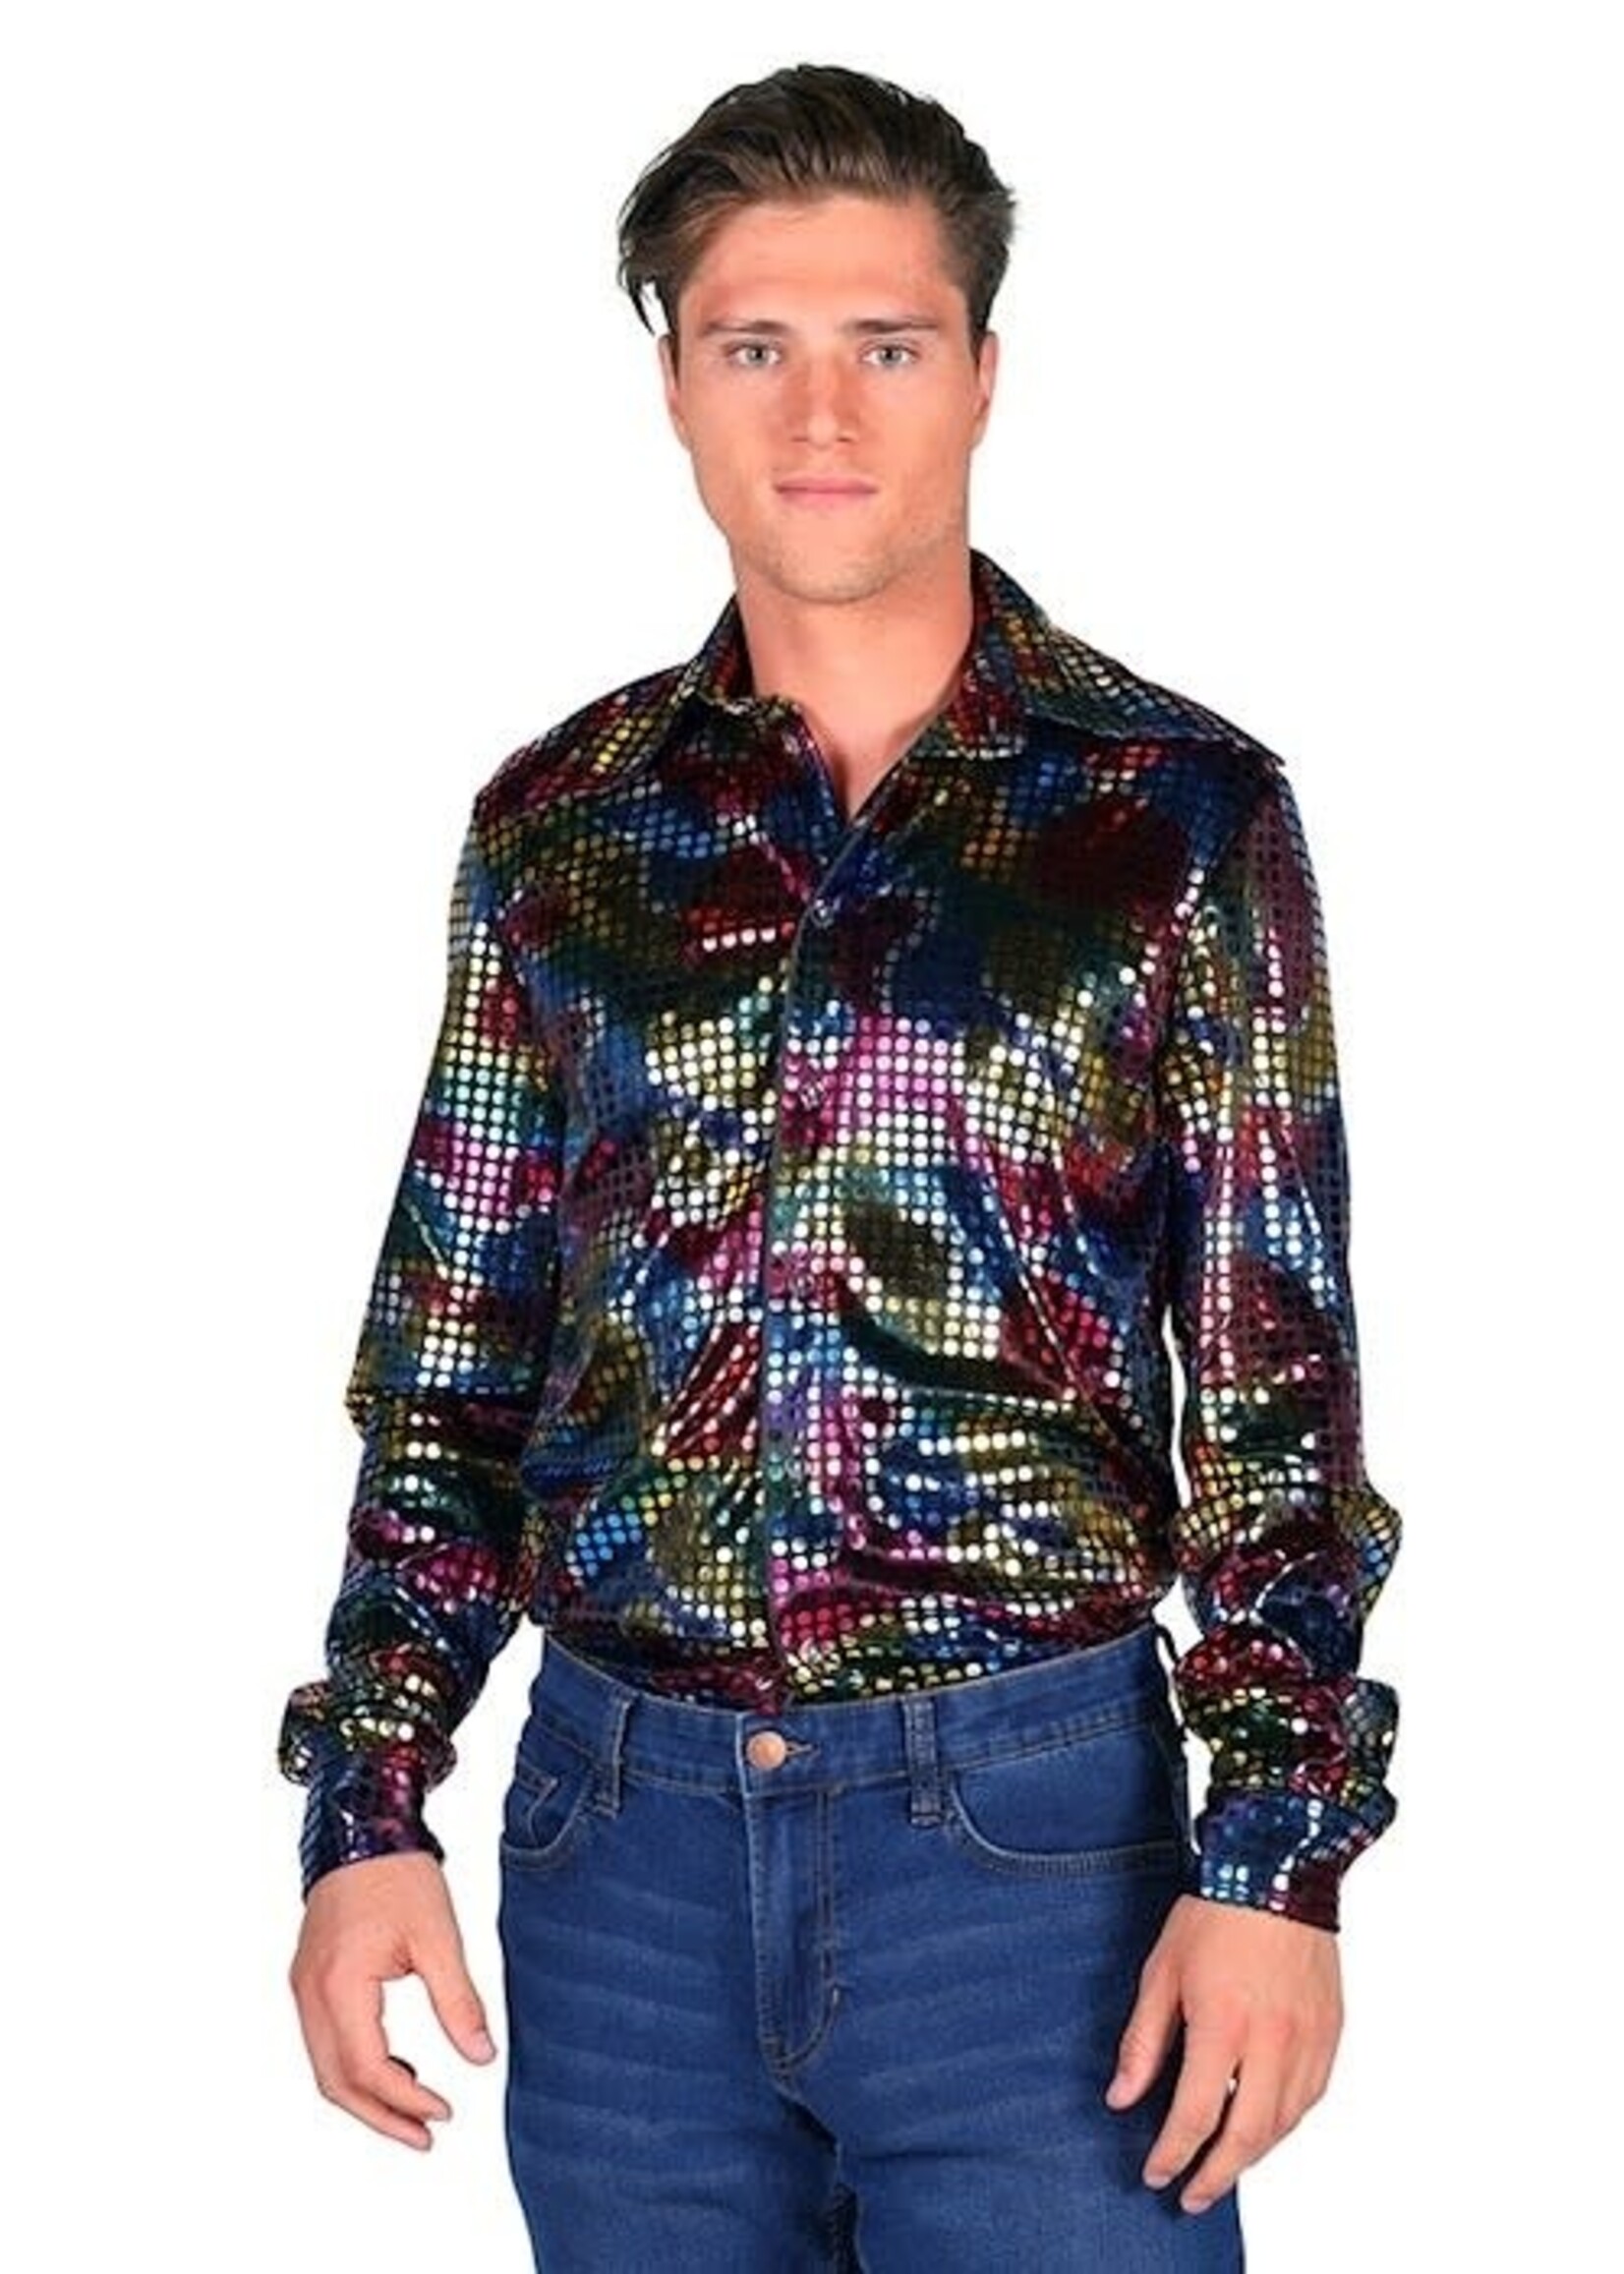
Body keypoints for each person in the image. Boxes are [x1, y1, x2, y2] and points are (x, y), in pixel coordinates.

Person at [279, 61, 1400, 2272]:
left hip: (1036, 1856)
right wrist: (366, 1804)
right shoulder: (561, 826)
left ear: (980, 371)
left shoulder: (1178, 818)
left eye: (885, 343)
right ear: (675, 386)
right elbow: (454, 1356)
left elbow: (1276, 1391)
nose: (819, 411)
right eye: (751, 345)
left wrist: (1275, 1858)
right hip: (619, 1863)